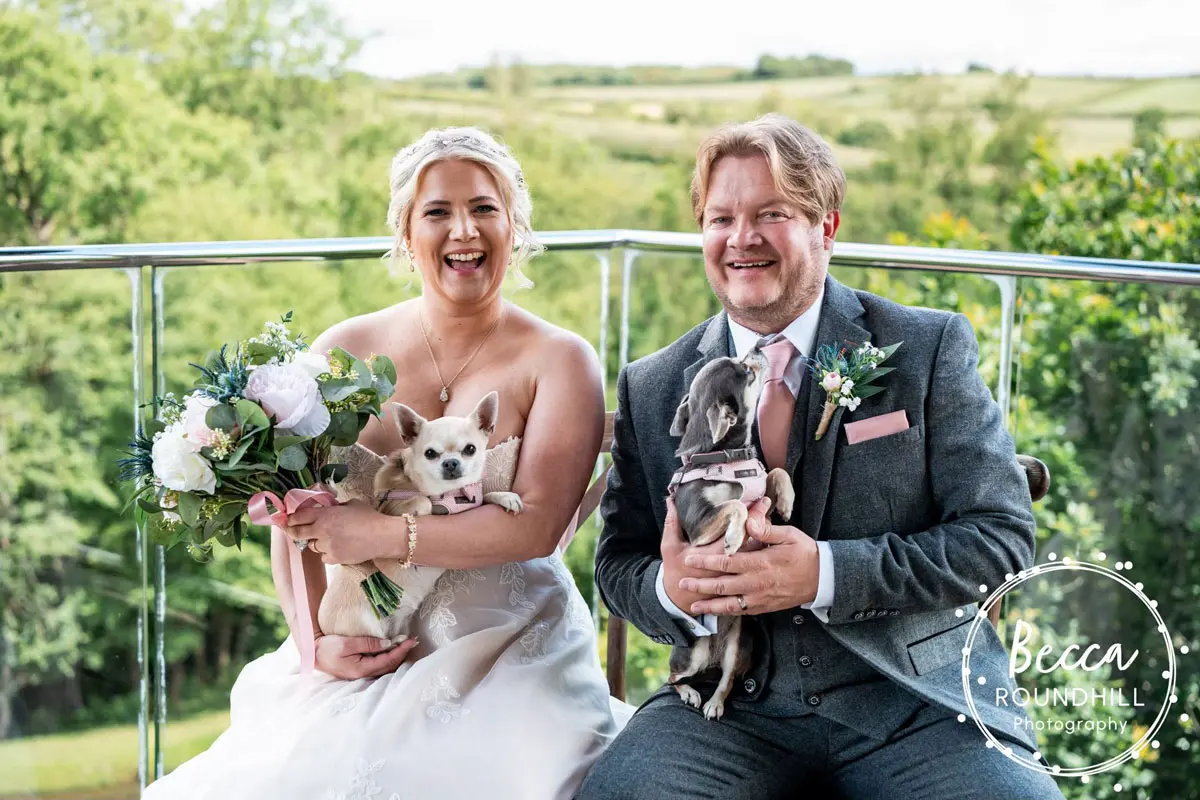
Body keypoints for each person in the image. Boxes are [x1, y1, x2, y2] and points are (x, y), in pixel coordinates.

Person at [578, 114, 1066, 799]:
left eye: (770, 213)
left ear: (826, 227)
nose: (741, 239)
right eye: (721, 218)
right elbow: (619, 563)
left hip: (918, 706)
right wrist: (672, 590)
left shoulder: (925, 349)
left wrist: (825, 574)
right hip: (725, 709)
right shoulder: (654, 384)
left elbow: (1000, 536)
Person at [145, 127, 625, 800]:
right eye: (437, 212)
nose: (464, 230)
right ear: (405, 234)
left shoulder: (560, 358)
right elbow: (293, 519)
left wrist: (379, 533)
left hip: (510, 642)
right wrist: (315, 642)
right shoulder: (343, 349)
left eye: (485, 208)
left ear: (515, 227)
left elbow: (538, 526)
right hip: (362, 632)